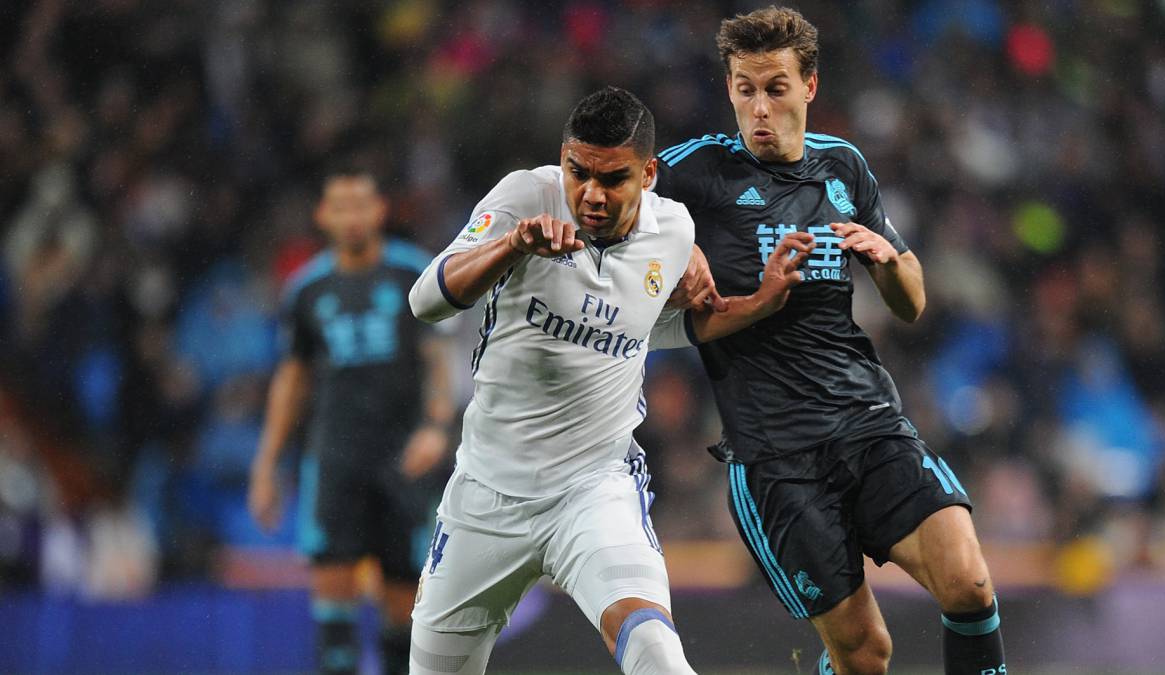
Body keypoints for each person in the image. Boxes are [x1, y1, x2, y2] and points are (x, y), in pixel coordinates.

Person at [405, 86, 813, 675]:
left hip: (593, 490)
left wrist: (757, 306)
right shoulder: (526, 196)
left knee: (656, 653)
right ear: (563, 159)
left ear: (647, 174)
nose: (592, 194)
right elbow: (425, 301)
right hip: (486, 495)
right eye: (579, 172)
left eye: (613, 178)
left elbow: (649, 328)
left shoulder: (673, 231)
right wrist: (511, 247)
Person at [652, 7, 1008, 675]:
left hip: (869, 423)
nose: (759, 107)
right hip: (776, 457)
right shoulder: (690, 174)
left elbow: (912, 302)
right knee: (866, 653)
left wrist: (887, 261)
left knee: (969, 583)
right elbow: (606, 199)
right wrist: (674, 248)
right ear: (729, 87)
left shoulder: (843, 166)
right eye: (744, 89)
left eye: (776, 88)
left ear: (809, 86)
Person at [248, 170, 456, 675]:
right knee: (334, 617)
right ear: (323, 216)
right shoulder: (306, 289)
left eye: (361, 204)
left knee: (404, 617)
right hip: (335, 458)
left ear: (379, 210)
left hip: (405, 461)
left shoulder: (413, 273)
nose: (352, 217)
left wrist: (436, 427)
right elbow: (292, 379)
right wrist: (266, 464)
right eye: (340, 206)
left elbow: (439, 360)